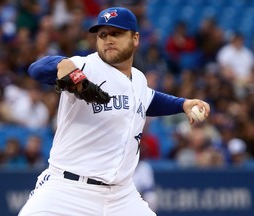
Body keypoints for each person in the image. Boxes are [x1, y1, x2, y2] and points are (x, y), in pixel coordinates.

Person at [19, 7, 210, 216]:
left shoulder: (138, 79)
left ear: (135, 38)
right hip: (68, 190)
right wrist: (63, 66)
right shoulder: (87, 66)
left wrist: (182, 104)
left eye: (116, 33)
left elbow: (149, 100)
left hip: (121, 196)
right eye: (102, 35)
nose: (108, 39)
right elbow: (36, 69)